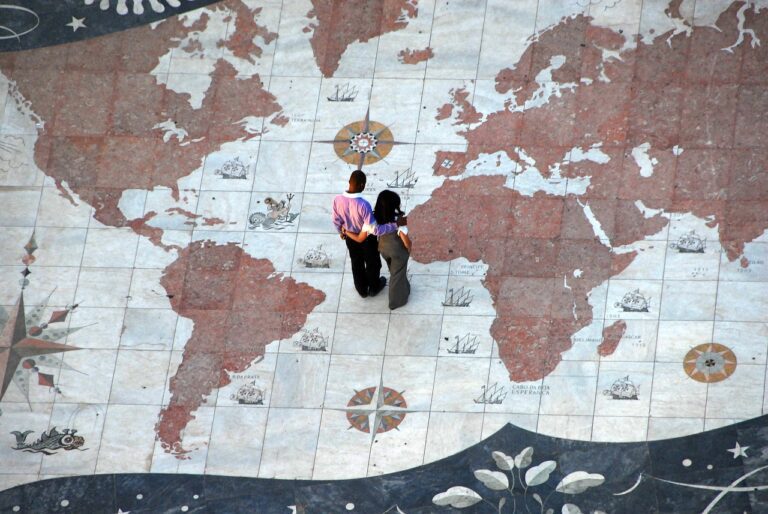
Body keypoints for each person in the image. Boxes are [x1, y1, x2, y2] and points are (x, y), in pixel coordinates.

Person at [331, 171, 407, 298]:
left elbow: (336, 220)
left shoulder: (337, 200)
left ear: (349, 182)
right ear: (362, 185)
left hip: (350, 238)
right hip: (367, 239)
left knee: (356, 262)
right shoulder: (363, 205)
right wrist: (395, 224)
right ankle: (374, 287)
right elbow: (375, 230)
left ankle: (361, 290)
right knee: (373, 263)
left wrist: (342, 232)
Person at [343, 190, 411, 310]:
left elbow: (360, 237)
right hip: (397, 251)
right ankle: (395, 302)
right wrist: (409, 248)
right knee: (397, 275)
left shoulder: (373, 218)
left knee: (393, 269)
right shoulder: (399, 220)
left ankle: (403, 286)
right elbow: (405, 241)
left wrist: (345, 231)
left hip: (383, 249)